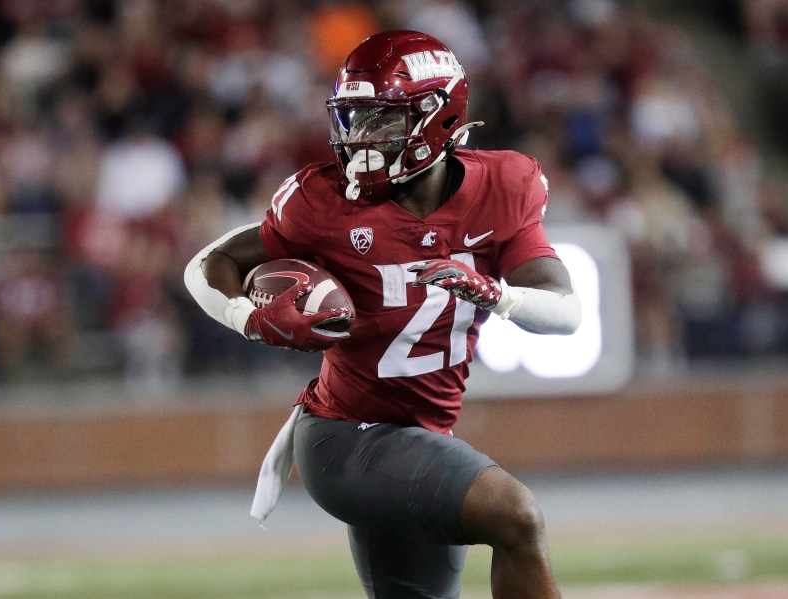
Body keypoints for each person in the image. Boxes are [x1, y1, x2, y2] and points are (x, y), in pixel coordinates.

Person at [184, 30, 580, 599]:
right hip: (345, 438)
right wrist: (247, 317)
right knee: (515, 516)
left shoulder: (503, 187)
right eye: (352, 119)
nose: (361, 139)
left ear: (439, 119)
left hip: (422, 435)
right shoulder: (323, 203)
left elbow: (565, 313)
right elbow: (211, 262)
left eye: (382, 120)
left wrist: (497, 294)